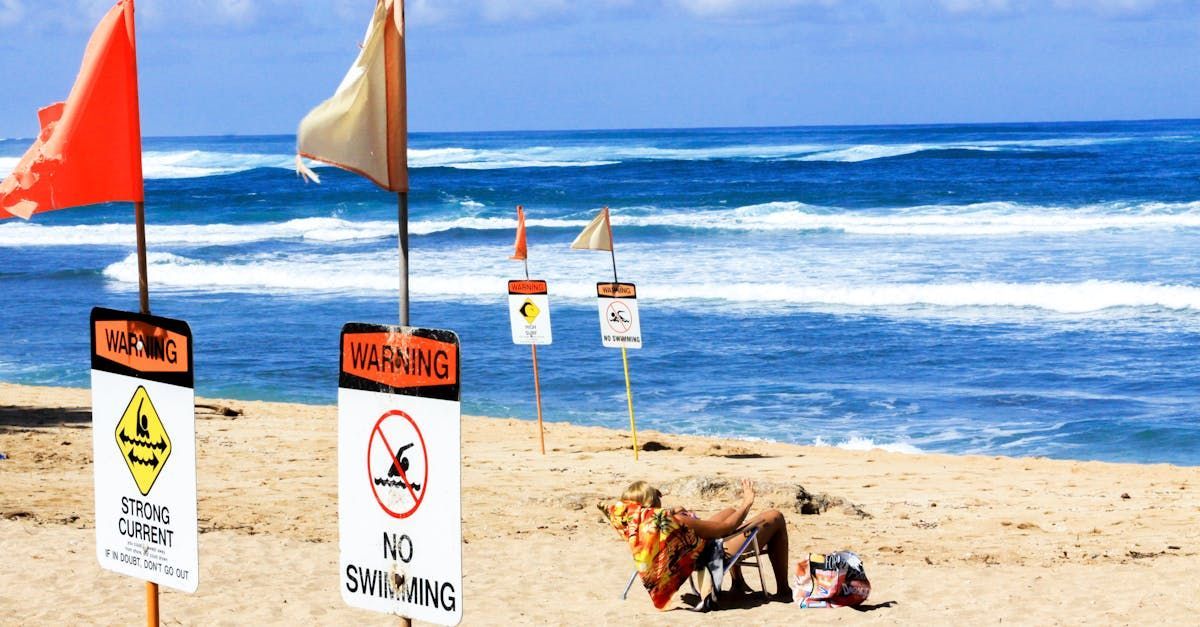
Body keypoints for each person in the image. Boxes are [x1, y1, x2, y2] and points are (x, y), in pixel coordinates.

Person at [600, 478, 791, 609]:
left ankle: (738, 583)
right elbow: (726, 528)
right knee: (775, 516)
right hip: (707, 557)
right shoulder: (677, 521)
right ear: (652, 501)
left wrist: (672, 510)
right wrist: (747, 503)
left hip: (676, 558)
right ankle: (783, 590)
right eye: (657, 495)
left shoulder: (638, 522)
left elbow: (659, 516)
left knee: (729, 510)